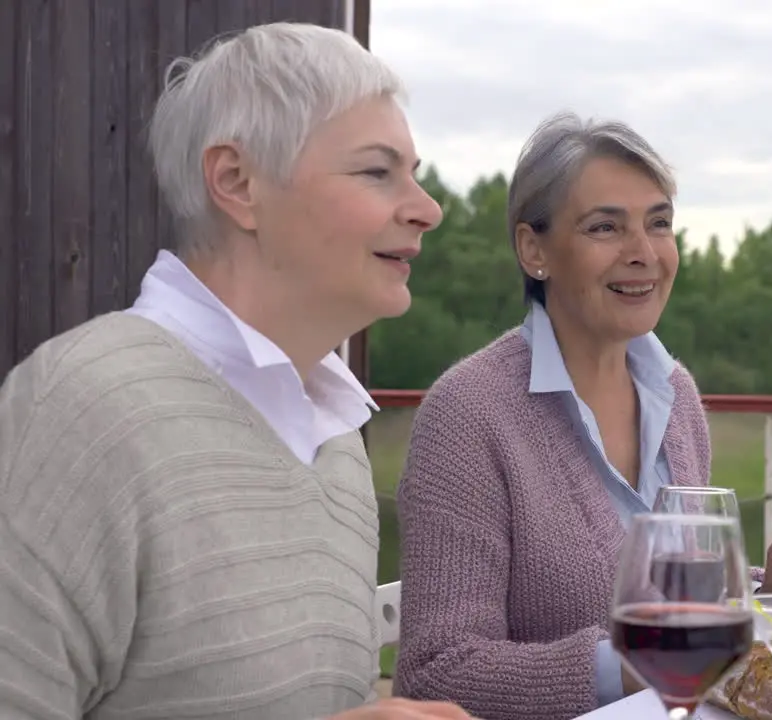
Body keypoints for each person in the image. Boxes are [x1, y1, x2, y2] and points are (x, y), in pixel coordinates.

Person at [0, 22, 471, 720]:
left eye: (415, 174)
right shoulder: (75, 413)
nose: (426, 210)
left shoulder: (335, 439)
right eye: (377, 171)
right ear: (237, 182)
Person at [393, 112, 772, 720]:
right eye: (606, 227)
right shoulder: (468, 414)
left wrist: (763, 596)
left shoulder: (677, 396)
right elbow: (433, 675)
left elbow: (678, 603)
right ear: (534, 248)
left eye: (659, 224)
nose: (644, 253)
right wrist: (635, 662)